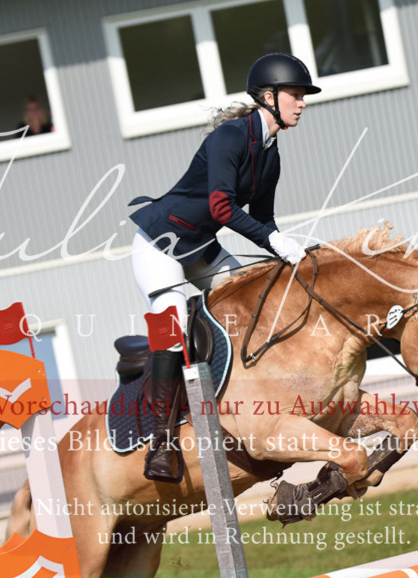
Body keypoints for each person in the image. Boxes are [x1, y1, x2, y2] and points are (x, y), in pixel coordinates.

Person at [128, 52, 318, 481]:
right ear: (268, 96)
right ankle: (160, 444)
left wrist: (286, 257)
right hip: (160, 244)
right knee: (173, 323)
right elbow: (220, 205)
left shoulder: (271, 155)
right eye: (296, 94)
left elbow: (264, 220)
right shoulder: (229, 138)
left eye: (303, 95)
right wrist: (274, 242)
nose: (302, 102)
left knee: (252, 299)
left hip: (201, 247)